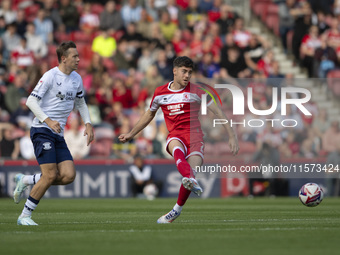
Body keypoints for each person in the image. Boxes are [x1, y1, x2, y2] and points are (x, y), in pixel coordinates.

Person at [119, 56, 239, 223]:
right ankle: (191, 179)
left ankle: (176, 210)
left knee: (190, 175)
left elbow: (218, 112)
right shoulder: (160, 92)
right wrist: (132, 133)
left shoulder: (197, 91)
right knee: (177, 150)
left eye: (190, 72)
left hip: (196, 137)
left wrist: (232, 135)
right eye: (184, 71)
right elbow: (149, 114)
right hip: (176, 135)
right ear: (174, 71)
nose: (187, 76)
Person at [13, 41, 94, 225]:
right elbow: (30, 102)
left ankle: (27, 180)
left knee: (68, 175)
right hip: (42, 130)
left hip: (58, 133)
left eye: (78, 56)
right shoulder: (50, 76)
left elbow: (80, 102)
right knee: (50, 175)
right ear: (63, 58)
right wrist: (48, 120)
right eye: (75, 56)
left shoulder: (76, 79)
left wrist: (88, 123)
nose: (78, 59)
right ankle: (25, 215)